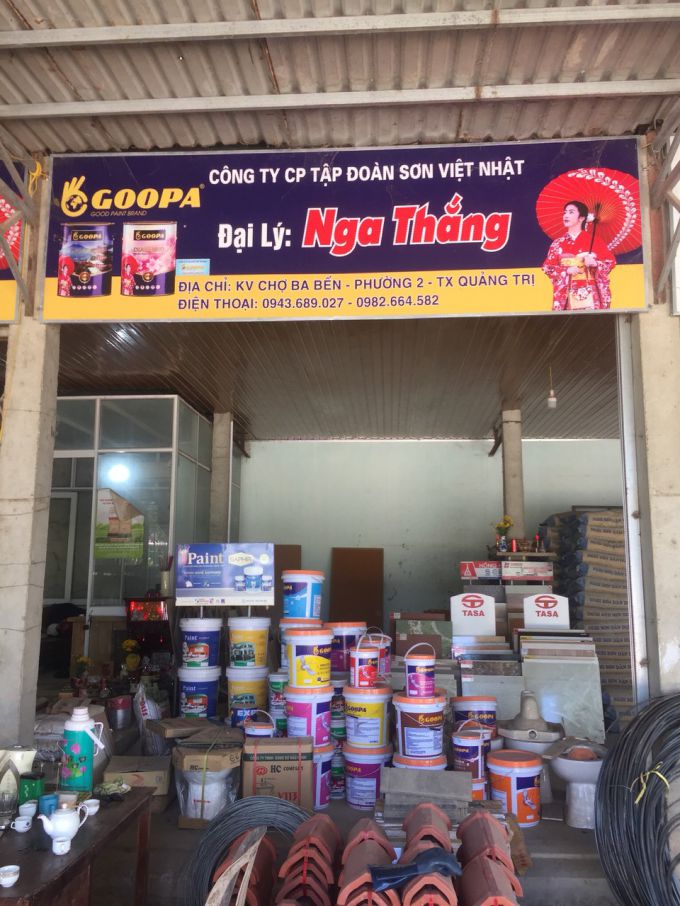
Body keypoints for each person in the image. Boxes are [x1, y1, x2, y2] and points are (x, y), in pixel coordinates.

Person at [542, 200, 615, 311]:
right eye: (565, 212)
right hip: (567, 293)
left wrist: (595, 263)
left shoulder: (595, 241)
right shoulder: (558, 243)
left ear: (581, 218)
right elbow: (548, 268)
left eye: (571, 212)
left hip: (590, 293)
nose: (566, 215)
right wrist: (566, 270)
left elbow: (610, 262)